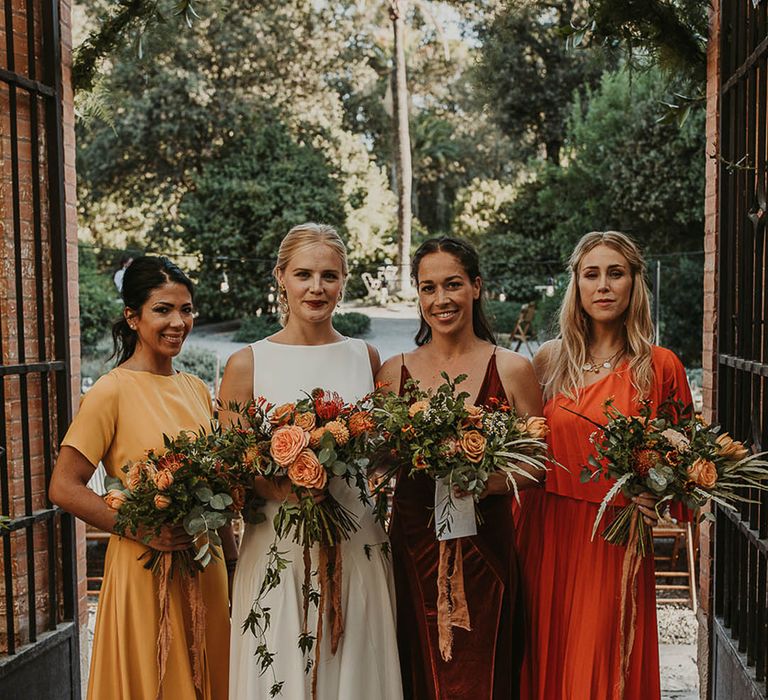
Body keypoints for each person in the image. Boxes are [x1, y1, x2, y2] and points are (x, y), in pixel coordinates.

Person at [222, 223, 402, 699]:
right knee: (278, 669)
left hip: (356, 540)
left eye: (329, 275)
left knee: (355, 673)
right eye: (303, 274)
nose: (316, 288)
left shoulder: (366, 357)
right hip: (278, 546)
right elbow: (234, 470)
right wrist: (289, 488)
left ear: (344, 280)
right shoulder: (247, 363)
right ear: (281, 277)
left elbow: (381, 455)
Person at [515, 231, 693, 700]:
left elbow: (688, 459)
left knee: (602, 654)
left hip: (615, 533)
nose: (604, 286)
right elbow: (523, 447)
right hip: (545, 528)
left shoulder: (660, 365)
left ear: (635, 282)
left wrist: (658, 489)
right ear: (576, 284)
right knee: (544, 649)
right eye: (591, 274)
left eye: (616, 274)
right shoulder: (549, 361)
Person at [49, 256, 230, 700]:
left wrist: (237, 563)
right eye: (163, 309)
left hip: (206, 566)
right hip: (144, 571)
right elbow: (63, 486)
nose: (178, 322)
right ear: (132, 317)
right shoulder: (111, 390)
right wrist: (141, 527)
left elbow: (217, 486)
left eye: (186, 310)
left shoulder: (195, 389)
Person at [376, 236, 545, 700]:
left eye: (452, 284)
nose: (441, 299)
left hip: (485, 547)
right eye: (428, 288)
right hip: (413, 543)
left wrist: (482, 482)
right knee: (417, 665)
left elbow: (537, 465)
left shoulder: (511, 369)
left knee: (483, 670)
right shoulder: (393, 373)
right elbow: (378, 460)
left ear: (476, 286)